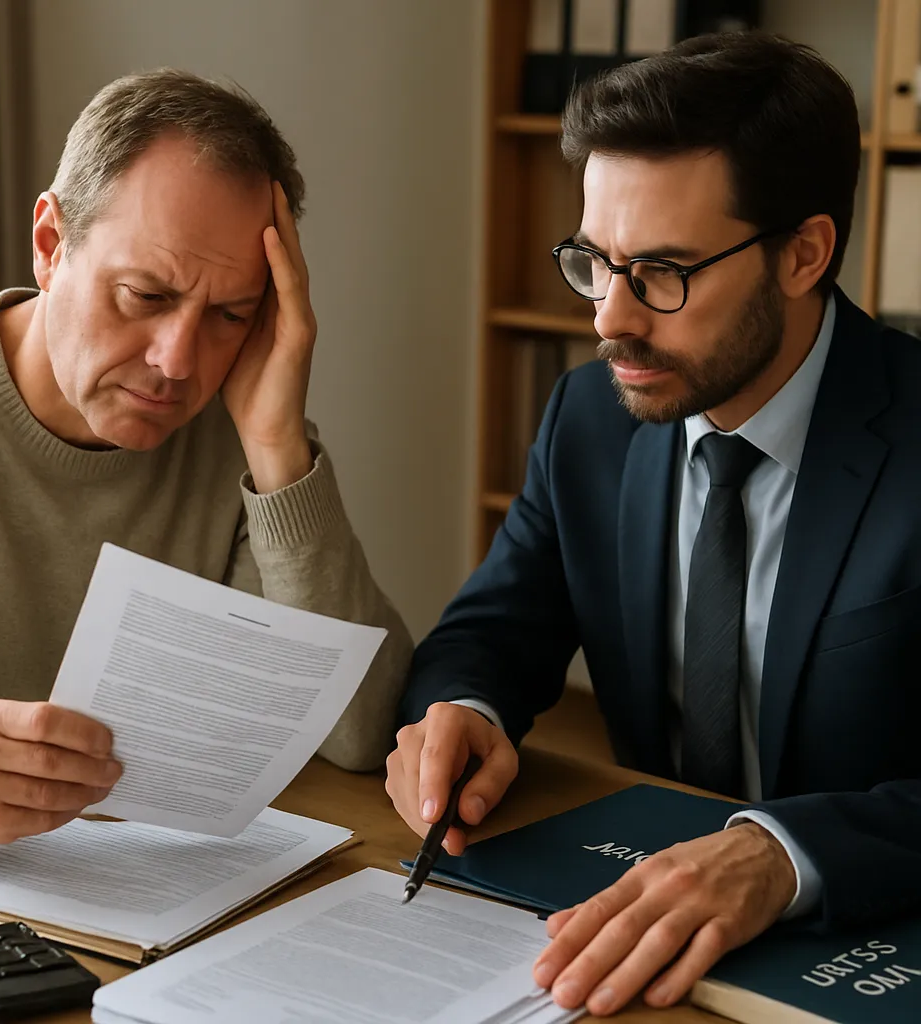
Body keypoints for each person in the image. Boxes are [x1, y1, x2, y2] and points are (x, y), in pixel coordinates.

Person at [386, 31, 921, 1017]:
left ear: (802, 253)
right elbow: (492, 630)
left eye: (664, 272)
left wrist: (779, 855)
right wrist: (464, 710)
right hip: (648, 958)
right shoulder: (590, 417)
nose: (608, 320)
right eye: (594, 261)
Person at [0, 69, 412, 855]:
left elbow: (359, 732)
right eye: (144, 295)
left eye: (231, 315)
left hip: (156, 903)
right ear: (49, 244)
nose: (176, 363)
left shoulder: (235, 435)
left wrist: (277, 448)